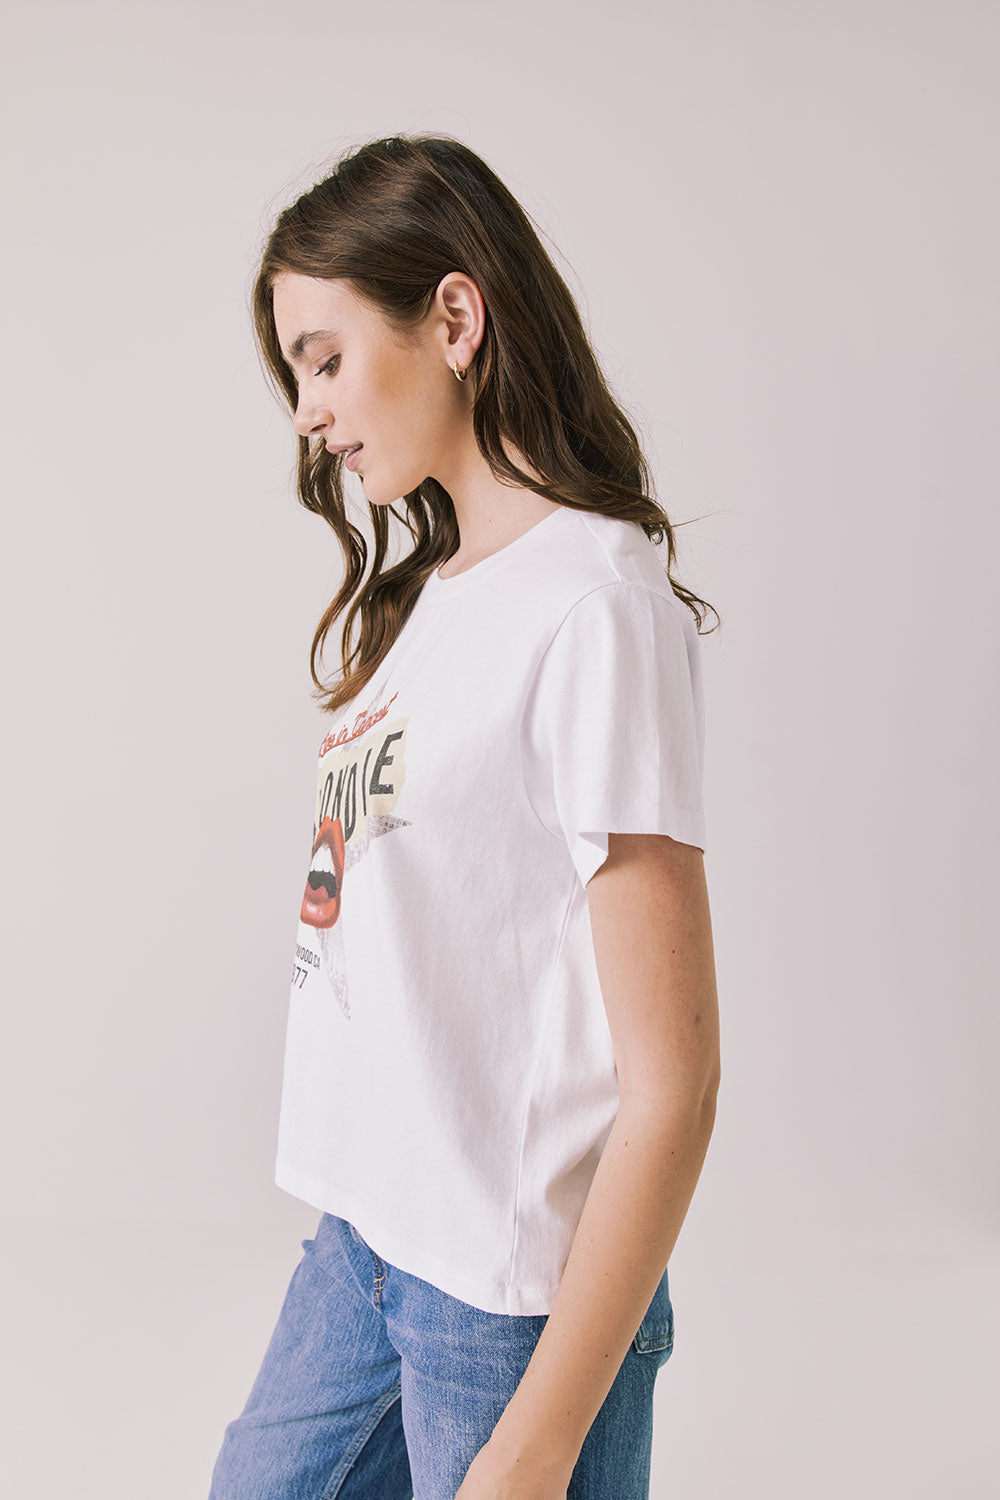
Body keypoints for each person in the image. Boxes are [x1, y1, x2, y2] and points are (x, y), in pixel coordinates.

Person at [209, 132, 722, 1500]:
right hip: (366, 1245)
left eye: (322, 356)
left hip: (503, 1301)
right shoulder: (436, 597)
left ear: (453, 316)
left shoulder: (594, 602)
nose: (307, 411)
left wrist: (537, 1444)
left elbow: (672, 1088)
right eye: (293, 372)